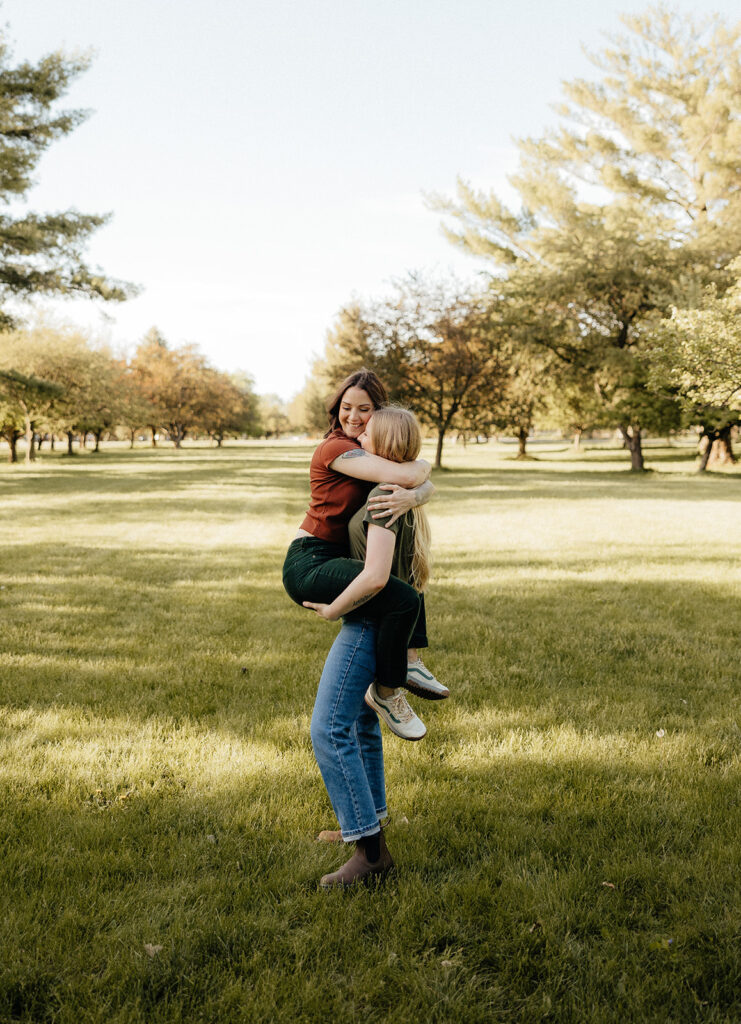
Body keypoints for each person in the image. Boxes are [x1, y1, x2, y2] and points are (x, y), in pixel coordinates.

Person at [308, 407, 433, 888]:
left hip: (366, 622)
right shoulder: (394, 490)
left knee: (329, 727)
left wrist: (332, 608)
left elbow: (376, 577)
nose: (356, 435)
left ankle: (370, 853)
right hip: (375, 622)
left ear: (381, 442)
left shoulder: (384, 496)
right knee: (359, 723)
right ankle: (367, 821)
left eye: (366, 430)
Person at [282, 370, 445, 733]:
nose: (353, 417)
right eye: (346, 407)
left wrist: (415, 493)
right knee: (401, 597)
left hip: (338, 555)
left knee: (407, 584)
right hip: (311, 559)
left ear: (379, 413)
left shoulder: (371, 447)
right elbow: (413, 471)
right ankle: (388, 689)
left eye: (364, 409)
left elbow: (418, 472)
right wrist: (415, 486)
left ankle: (410, 660)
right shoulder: (337, 447)